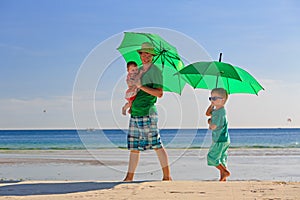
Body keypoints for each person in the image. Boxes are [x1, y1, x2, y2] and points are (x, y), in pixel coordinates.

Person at [123, 42, 172, 181]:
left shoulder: (155, 71)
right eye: (143, 54)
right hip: (135, 112)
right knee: (134, 146)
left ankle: (167, 176)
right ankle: (129, 177)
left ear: (152, 55)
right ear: (140, 54)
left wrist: (142, 86)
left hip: (148, 112)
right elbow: (133, 89)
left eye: (148, 54)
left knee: (156, 144)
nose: (145, 56)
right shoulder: (137, 70)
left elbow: (159, 93)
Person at [205, 88, 231, 181]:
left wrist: (209, 122)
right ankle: (223, 178)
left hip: (219, 139)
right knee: (222, 158)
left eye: (215, 98)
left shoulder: (219, 113)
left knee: (212, 157)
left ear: (223, 100)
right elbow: (207, 113)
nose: (212, 100)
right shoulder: (219, 110)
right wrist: (212, 105)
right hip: (225, 139)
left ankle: (224, 172)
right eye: (211, 98)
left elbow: (214, 126)